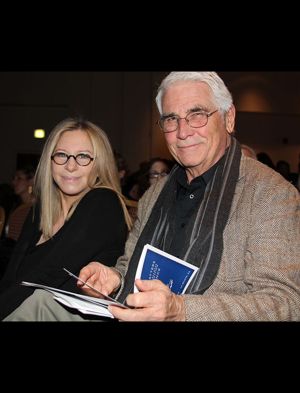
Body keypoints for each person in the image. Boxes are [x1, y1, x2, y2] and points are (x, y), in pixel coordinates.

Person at [5, 72, 300, 322]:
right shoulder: (156, 194)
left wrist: (181, 309)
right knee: (39, 304)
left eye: (197, 114)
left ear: (229, 118)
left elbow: (285, 303)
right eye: (171, 119)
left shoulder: (270, 194)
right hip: (128, 313)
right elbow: (129, 265)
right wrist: (112, 277)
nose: (183, 131)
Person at [0, 117, 131, 320]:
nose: (70, 166)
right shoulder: (40, 210)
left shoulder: (103, 202)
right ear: (49, 162)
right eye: (62, 155)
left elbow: (49, 275)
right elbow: (12, 277)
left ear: (99, 164)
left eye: (83, 156)